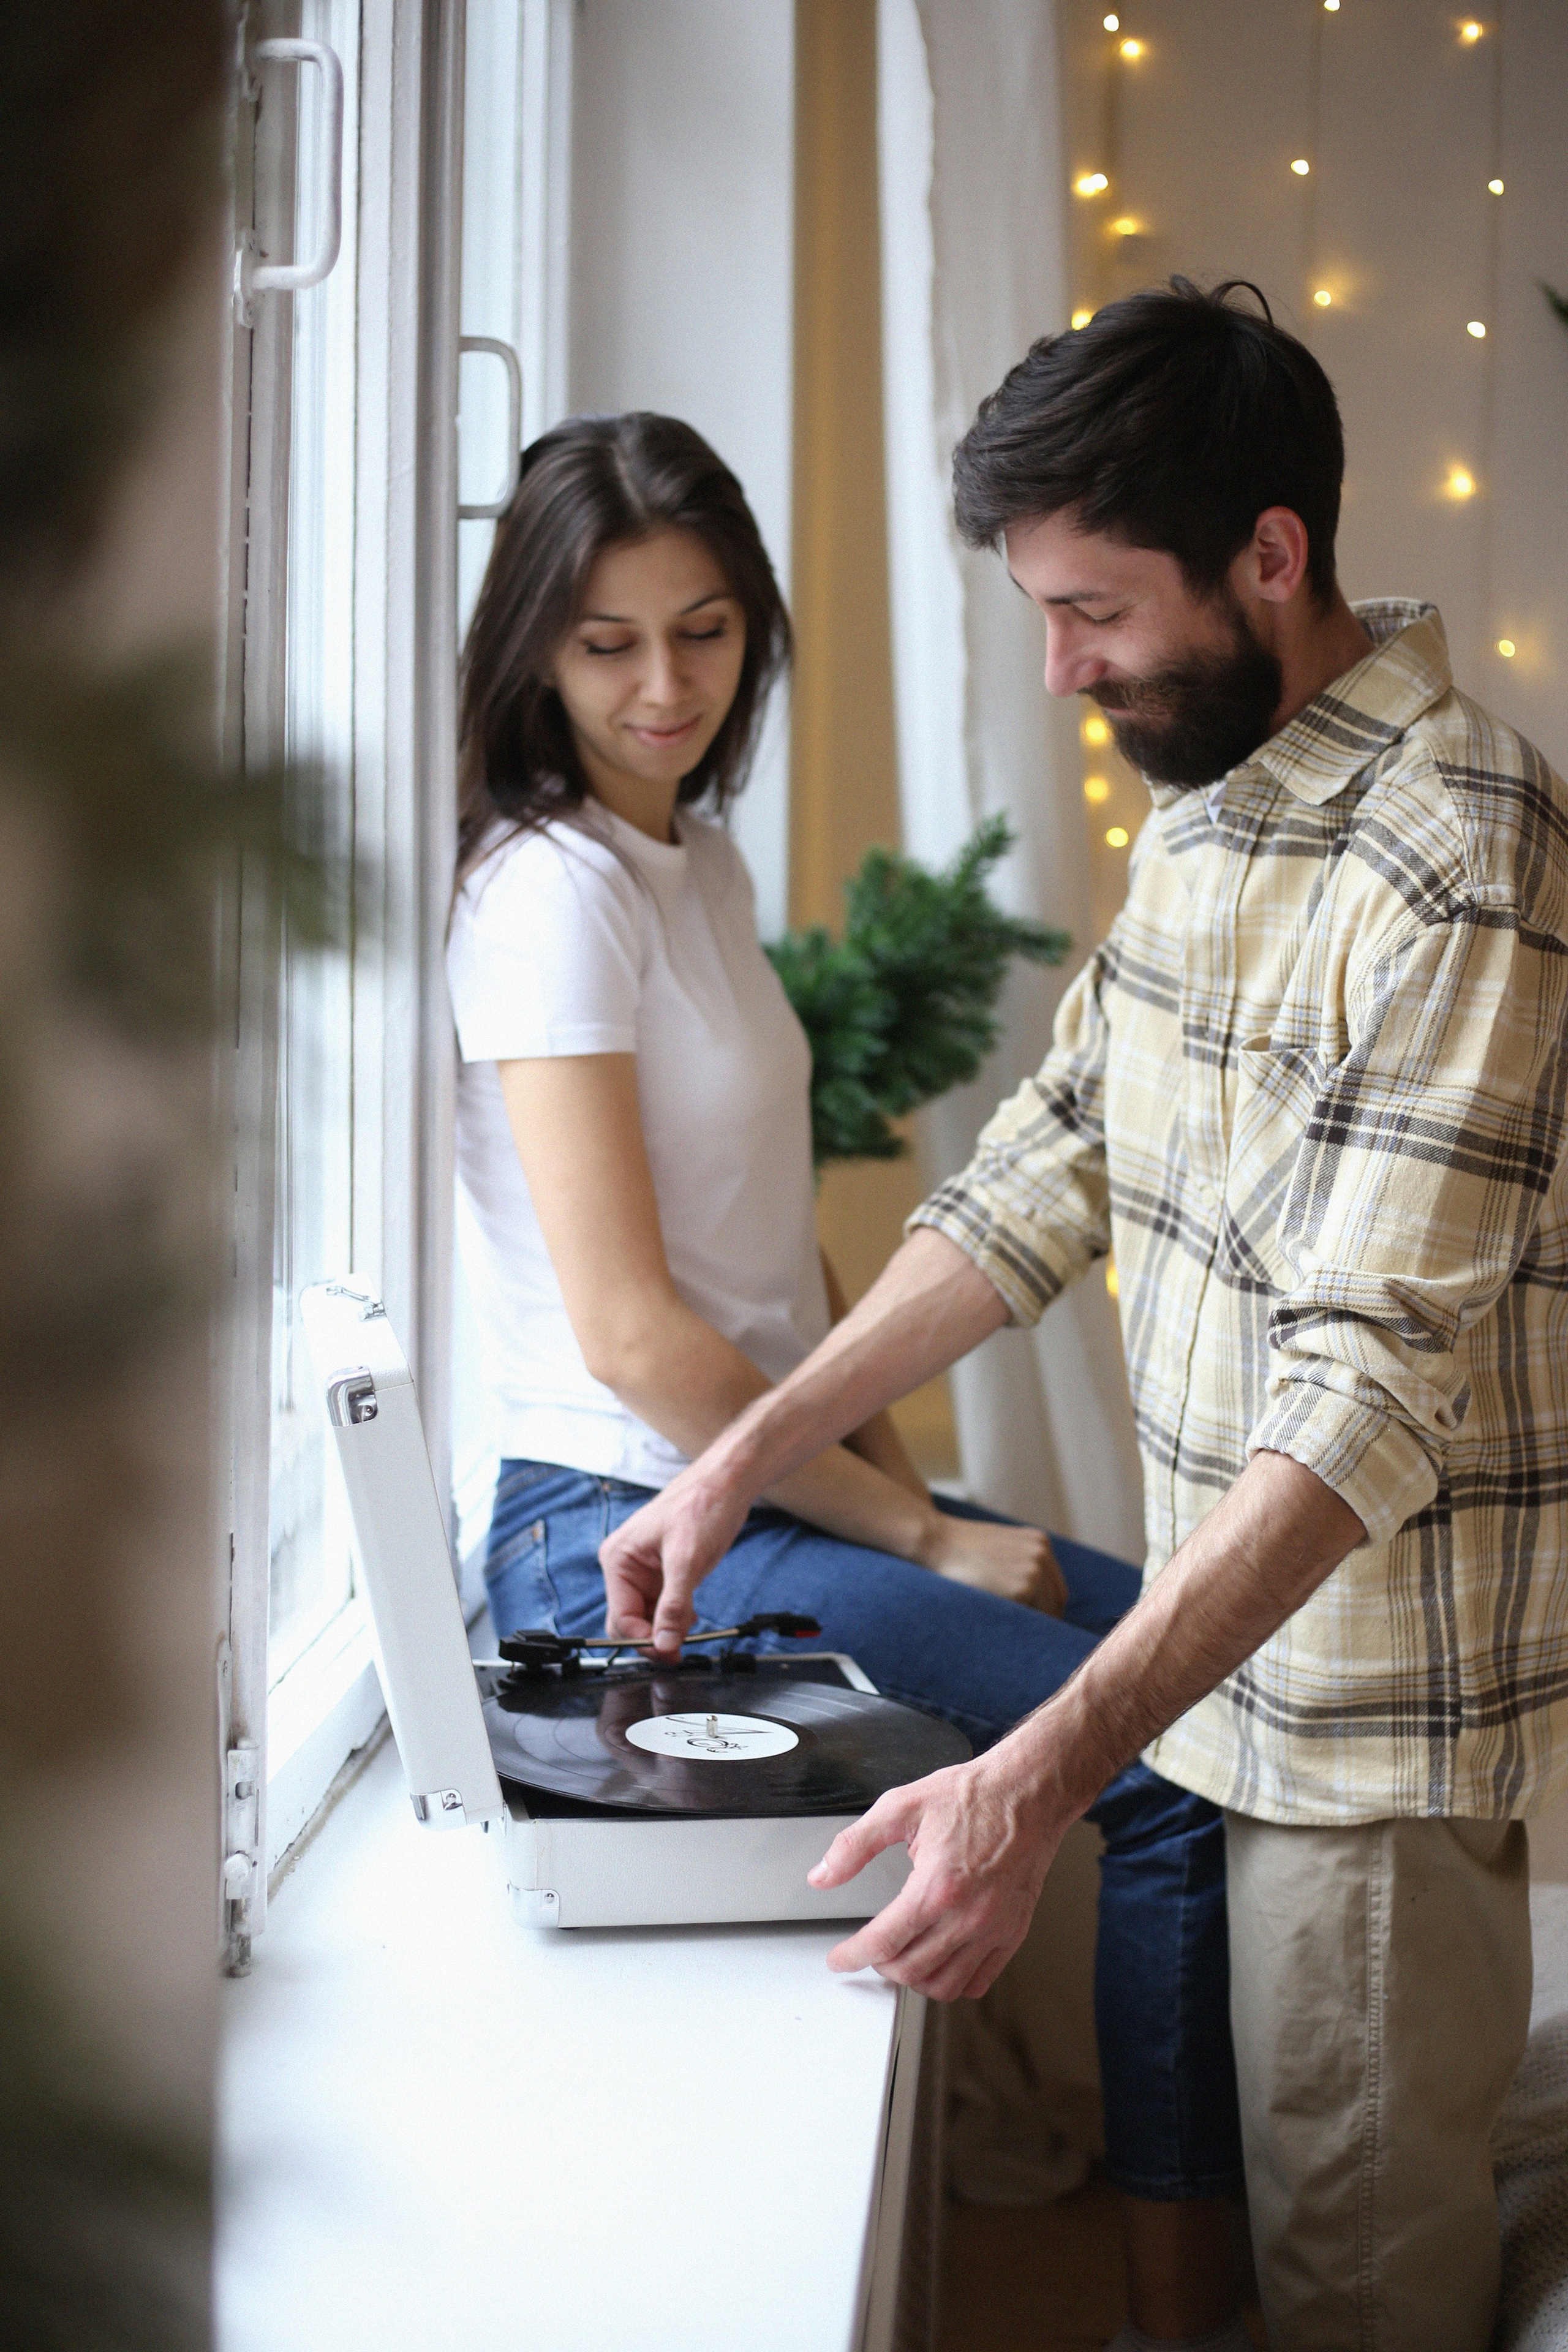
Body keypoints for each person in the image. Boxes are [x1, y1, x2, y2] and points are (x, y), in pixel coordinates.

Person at [601, 282, 1568, 2352]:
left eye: (1095, 612)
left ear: (1272, 559)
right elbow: (1049, 1168)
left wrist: (1029, 1781)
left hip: (1363, 1739)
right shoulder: (1219, 795)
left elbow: (1368, 1397)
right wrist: (750, 1451)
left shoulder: (1462, 854)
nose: (1062, 673)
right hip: (1232, 1683)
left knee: (1360, 2294)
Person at [448, 410, 1250, 2350]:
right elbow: (637, 1334)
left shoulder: (691, 866)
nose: (663, 687)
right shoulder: (548, 891)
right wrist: (924, 1537)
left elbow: (778, 1253)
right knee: (1170, 1774)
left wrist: (915, 1491)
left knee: (1225, 1674)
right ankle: (1181, 2314)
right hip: (615, 1538)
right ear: (534, 653)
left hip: (760, 1490)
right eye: (609, 643)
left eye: (704, 633)